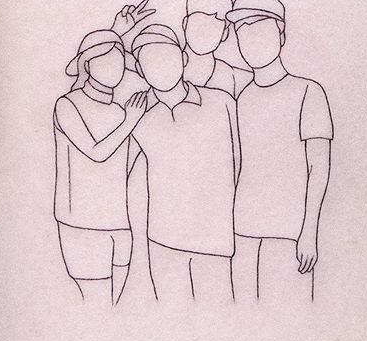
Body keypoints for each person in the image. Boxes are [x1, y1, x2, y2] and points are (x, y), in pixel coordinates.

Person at [228, 0, 333, 301]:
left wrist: (309, 231)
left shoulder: (308, 92)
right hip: (242, 230)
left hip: (289, 234)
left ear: (281, 35)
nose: (251, 40)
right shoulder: (242, 97)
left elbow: (319, 167)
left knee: (291, 317)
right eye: (243, 32)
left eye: (261, 29)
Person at [128, 24, 241, 303]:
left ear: (183, 58)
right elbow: (130, 180)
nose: (160, 67)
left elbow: (238, 165)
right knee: (171, 317)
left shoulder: (222, 102)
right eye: (149, 61)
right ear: (140, 71)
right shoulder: (138, 118)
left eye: (167, 57)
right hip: (162, 241)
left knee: (219, 315)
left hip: (214, 240)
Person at [54, 26, 148, 305]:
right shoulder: (68, 105)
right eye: (104, 60)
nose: (113, 67)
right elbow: (96, 152)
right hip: (81, 221)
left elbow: (129, 160)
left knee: (116, 303)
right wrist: (131, 122)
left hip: (120, 221)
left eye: (118, 60)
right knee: (95, 301)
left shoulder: (120, 110)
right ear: (86, 65)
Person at [182, 0, 252, 97]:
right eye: (199, 23)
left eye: (213, 27)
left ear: (225, 33)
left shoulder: (239, 80)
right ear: (185, 23)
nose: (204, 32)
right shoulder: (163, 70)